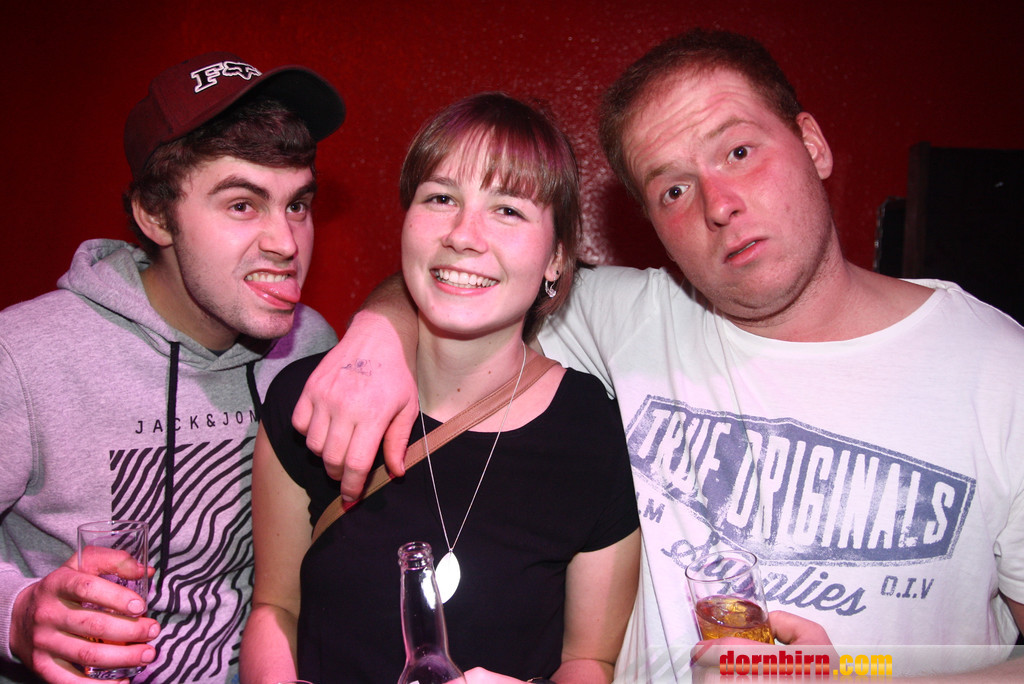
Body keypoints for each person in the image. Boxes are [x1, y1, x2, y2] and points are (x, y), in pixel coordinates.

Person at [289, 29, 1024, 681]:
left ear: (813, 143)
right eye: (673, 188)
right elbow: (462, 275)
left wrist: (862, 681)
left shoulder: (997, 370)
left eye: (739, 152)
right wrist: (375, 337)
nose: (718, 203)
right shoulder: (629, 315)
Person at [239, 92, 641, 684]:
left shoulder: (592, 432)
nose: (463, 234)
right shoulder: (314, 398)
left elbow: (590, 658)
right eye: (441, 198)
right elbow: (275, 606)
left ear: (556, 258)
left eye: (508, 210)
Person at [0, 52, 345, 683]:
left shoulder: (312, 348)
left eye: (297, 204)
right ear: (155, 216)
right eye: (242, 205)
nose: (286, 243)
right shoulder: (22, 355)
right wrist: (15, 614)